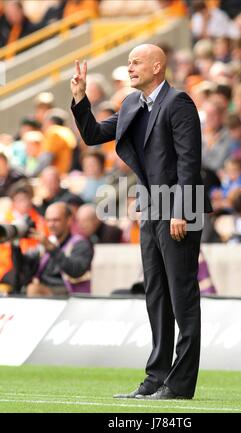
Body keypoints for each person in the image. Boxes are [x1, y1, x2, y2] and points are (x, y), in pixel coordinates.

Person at [71, 43, 212, 400]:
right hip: (150, 210)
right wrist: (79, 98)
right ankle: (156, 378)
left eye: (136, 62)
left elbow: (188, 162)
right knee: (156, 296)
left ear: (158, 66)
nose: (130, 67)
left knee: (182, 297)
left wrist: (181, 209)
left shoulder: (178, 103)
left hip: (181, 208)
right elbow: (93, 136)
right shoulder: (132, 103)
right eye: (128, 62)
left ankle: (179, 385)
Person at [23, 202, 94, 297]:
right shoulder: (49, 241)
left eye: (56, 220)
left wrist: (51, 248)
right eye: (48, 220)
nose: (51, 224)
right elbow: (25, 267)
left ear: (69, 220)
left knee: (33, 289)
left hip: (69, 292)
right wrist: (15, 245)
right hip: (45, 288)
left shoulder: (80, 244)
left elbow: (76, 271)